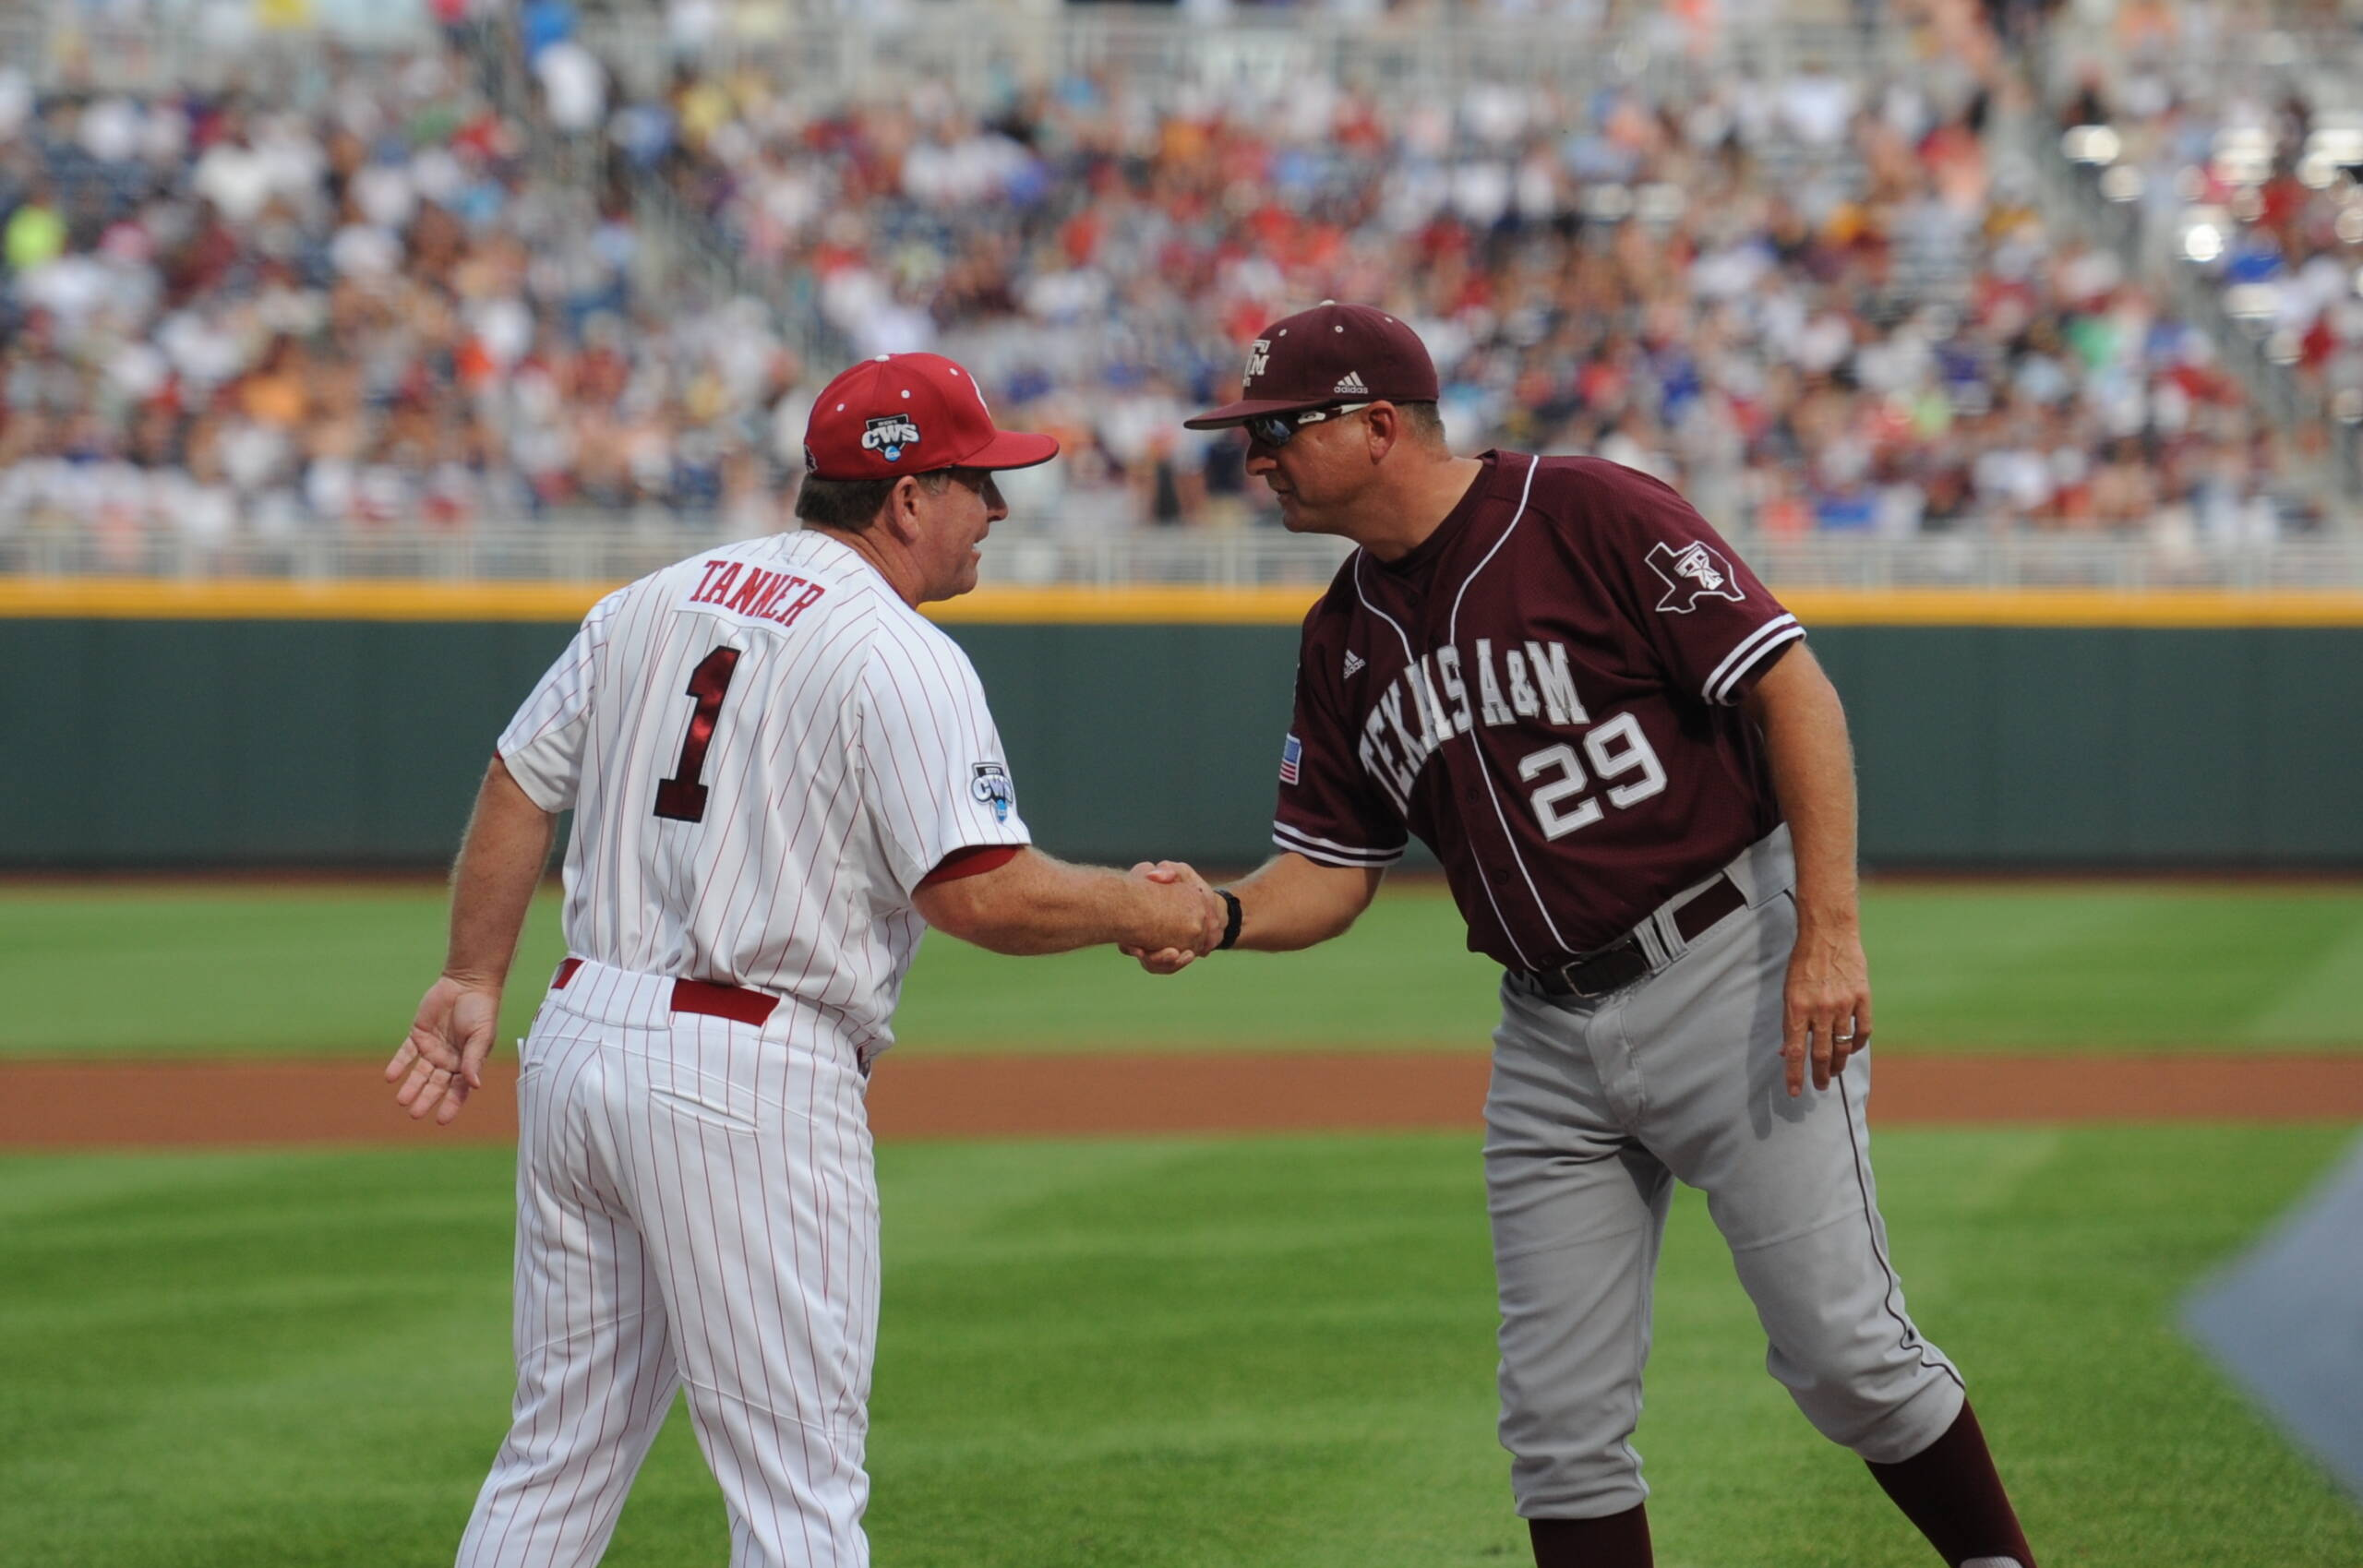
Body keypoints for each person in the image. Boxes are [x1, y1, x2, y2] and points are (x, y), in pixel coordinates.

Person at [1141, 303, 2037, 1568]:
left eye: (1279, 429)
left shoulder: (1585, 512)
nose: (1257, 458)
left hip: (1730, 962)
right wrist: (1222, 914)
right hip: (1547, 1030)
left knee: (1847, 1353)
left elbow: (1793, 688)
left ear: (1380, 425)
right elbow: (1332, 872)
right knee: (1559, 1422)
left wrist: (1829, 931)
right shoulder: (1341, 636)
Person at [385, 350, 1222, 1568]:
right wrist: (1141, 909)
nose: (995, 508)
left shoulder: (655, 598)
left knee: (555, 1456)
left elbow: (522, 771)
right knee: (798, 1494)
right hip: (744, 1076)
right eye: (974, 482)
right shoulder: (896, 650)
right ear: (903, 501)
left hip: (576, 1041)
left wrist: (470, 975)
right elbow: (981, 893)